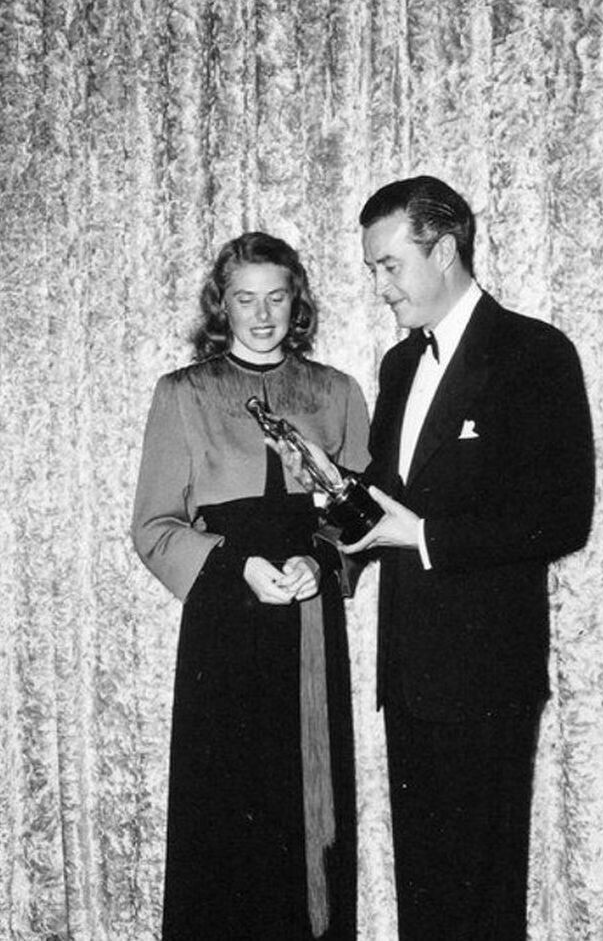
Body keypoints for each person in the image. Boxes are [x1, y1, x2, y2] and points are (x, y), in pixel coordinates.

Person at [277, 176, 595, 939]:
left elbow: (561, 517)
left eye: (390, 265)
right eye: (373, 269)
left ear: (445, 249)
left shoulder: (535, 354)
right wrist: (329, 483)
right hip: (410, 674)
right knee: (427, 901)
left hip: (487, 675)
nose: (380, 287)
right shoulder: (398, 365)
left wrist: (421, 536)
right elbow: (387, 502)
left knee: (482, 905)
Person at [131, 232, 371, 940]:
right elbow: (153, 526)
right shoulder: (182, 394)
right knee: (224, 813)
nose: (262, 316)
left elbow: (363, 521)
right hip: (223, 621)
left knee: (307, 810)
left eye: (276, 298)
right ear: (222, 305)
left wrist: (322, 563)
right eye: (245, 299)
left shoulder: (336, 392)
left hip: (307, 624)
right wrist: (235, 564)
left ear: (296, 301)